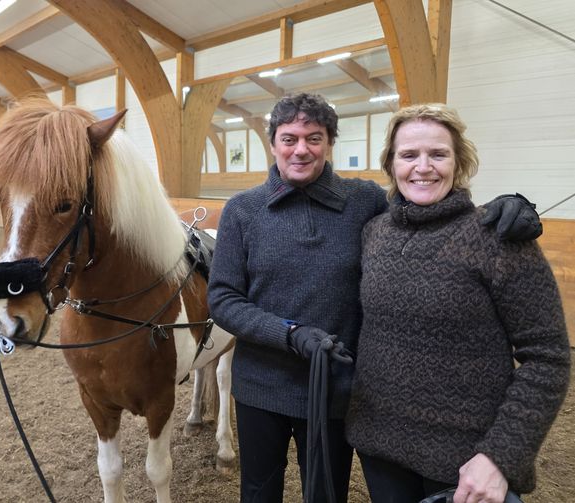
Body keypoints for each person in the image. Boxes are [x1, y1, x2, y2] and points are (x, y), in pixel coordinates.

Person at [207, 93, 543, 503]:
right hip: (262, 384)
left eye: (314, 138)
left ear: (329, 143)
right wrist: (289, 333)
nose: (301, 149)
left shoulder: (363, 201)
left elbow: (424, 202)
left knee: (326, 490)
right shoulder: (243, 211)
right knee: (259, 490)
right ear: (273, 142)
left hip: (333, 386)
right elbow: (223, 298)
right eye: (289, 138)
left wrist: (508, 205)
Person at [344, 103, 571, 503]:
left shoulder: (497, 238)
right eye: (409, 155)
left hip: (466, 462)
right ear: (391, 164)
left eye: (438, 154)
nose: (423, 167)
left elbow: (547, 357)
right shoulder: (374, 234)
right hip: (380, 445)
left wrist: (501, 456)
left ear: (459, 161)